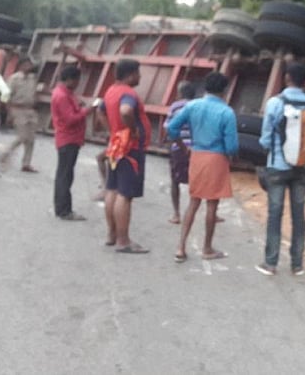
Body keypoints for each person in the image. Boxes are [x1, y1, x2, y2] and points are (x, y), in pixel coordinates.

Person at [168, 72, 238, 263]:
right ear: (224, 90)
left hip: (196, 154)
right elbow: (232, 146)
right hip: (216, 157)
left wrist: (185, 147)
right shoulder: (227, 112)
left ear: (205, 87)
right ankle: (207, 247)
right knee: (212, 204)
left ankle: (180, 247)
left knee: (193, 201)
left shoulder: (192, 105)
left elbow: (171, 128)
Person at [256, 63, 305, 276]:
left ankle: (271, 263)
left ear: (287, 78)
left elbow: (265, 138)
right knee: (299, 215)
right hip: (302, 167)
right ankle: (297, 264)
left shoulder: (275, 102)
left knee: (275, 213)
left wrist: (271, 150)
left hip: (278, 166)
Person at [101, 59, 152, 254]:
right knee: (125, 194)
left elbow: (101, 112)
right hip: (130, 148)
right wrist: (132, 130)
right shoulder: (128, 94)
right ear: (130, 74)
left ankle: (112, 235)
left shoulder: (111, 91)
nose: (139, 77)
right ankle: (124, 240)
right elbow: (126, 111)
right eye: (138, 73)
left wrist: (113, 132)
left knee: (112, 190)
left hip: (116, 146)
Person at [50, 65, 92, 220]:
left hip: (68, 138)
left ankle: (60, 207)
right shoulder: (62, 96)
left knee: (64, 174)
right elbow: (70, 119)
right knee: (65, 175)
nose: (78, 83)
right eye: (77, 80)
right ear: (70, 79)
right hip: (68, 138)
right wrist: (87, 110)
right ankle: (64, 210)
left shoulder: (64, 93)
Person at [162, 81, 196, 224]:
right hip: (196, 148)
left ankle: (176, 214)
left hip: (179, 147)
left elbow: (167, 126)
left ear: (180, 93)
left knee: (175, 181)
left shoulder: (175, 106)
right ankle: (196, 211)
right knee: (198, 181)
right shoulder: (197, 106)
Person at [0, 58, 40, 173]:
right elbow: (6, 96)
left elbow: (35, 92)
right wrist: (9, 113)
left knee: (31, 139)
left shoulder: (33, 78)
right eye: (26, 64)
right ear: (21, 66)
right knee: (22, 136)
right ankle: (5, 153)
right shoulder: (14, 79)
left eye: (30, 64)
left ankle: (26, 163)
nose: (29, 67)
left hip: (30, 109)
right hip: (18, 109)